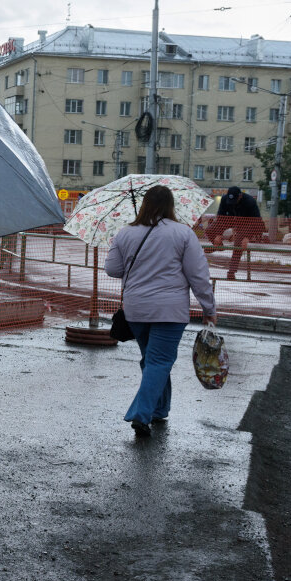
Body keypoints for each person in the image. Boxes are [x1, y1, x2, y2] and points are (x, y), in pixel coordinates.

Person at [106, 186, 217, 438]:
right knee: (159, 361)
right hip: (170, 310)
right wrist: (209, 308)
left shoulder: (125, 233)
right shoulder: (183, 234)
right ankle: (141, 414)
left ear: (144, 204)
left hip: (136, 310)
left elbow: (112, 269)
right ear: (171, 205)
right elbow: (198, 276)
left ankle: (160, 409)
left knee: (152, 360)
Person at [207, 186, 265, 280]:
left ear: (240, 196)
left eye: (235, 200)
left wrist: (247, 237)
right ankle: (219, 246)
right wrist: (218, 234)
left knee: (238, 244)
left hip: (246, 223)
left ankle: (232, 271)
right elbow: (220, 216)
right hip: (230, 219)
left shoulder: (250, 201)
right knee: (209, 230)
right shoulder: (224, 199)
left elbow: (257, 221)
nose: (233, 204)